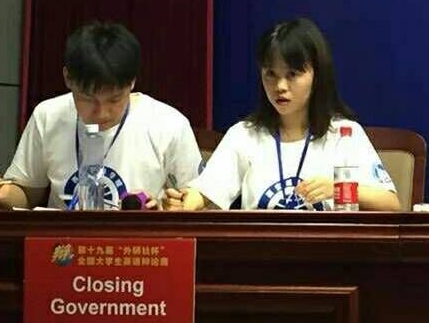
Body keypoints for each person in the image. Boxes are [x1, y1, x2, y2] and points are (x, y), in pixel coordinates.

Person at [164, 18, 400, 212]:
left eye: (292, 74)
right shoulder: (244, 135)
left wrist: (337, 188)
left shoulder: (344, 134)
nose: (280, 86)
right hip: (260, 252)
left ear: (317, 75)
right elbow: (204, 193)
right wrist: (183, 203)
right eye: (271, 74)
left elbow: (391, 204)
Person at [0, 22, 203, 210]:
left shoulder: (169, 124)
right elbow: (27, 192)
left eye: (114, 100)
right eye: (87, 99)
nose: (101, 113)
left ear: (132, 82)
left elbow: (198, 202)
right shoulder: (48, 115)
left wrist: (168, 208)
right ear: (68, 78)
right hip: (63, 247)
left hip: (139, 246)